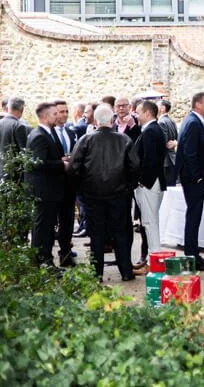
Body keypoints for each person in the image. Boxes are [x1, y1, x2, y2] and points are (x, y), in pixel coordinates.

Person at [68, 103, 141, 282]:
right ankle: (126, 271)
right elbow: (135, 167)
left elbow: (73, 167)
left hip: (93, 195)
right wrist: (127, 187)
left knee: (97, 235)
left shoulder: (86, 140)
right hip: (119, 195)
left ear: (95, 120)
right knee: (121, 234)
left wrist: (82, 188)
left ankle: (97, 273)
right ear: (111, 119)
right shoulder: (123, 140)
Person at [175, 91, 204, 271]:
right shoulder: (193, 123)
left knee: (194, 217)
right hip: (194, 179)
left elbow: (193, 147)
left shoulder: (193, 121)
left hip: (194, 178)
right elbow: (189, 152)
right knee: (193, 217)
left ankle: (192, 254)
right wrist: (198, 176)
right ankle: (191, 256)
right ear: (198, 104)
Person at [26, 102, 68, 268]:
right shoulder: (39, 135)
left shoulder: (47, 133)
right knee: (43, 227)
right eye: (54, 114)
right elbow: (38, 162)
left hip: (50, 190)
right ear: (45, 116)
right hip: (43, 190)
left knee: (47, 226)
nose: (57, 116)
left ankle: (45, 259)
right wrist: (60, 164)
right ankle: (42, 261)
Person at [134, 100, 167, 263]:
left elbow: (150, 160)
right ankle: (153, 256)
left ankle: (154, 257)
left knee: (149, 221)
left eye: (138, 112)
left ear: (147, 113)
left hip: (150, 183)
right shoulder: (152, 130)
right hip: (152, 182)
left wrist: (142, 181)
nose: (136, 115)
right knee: (149, 221)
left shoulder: (151, 131)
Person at [51, 99, 79, 267]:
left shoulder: (70, 132)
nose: (64, 115)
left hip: (69, 183)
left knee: (67, 220)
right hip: (53, 184)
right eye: (61, 111)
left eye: (66, 111)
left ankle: (66, 252)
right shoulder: (48, 133)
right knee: (52, 221)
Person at [0, 96, 30, 179]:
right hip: (14, 175)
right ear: (22, 109)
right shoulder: (19, 126)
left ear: (8, 108)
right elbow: (24, 153)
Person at [157, 99, 178, 186]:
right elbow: (177, 137)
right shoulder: (171, 120)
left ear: (162, 108)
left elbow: (163, 143)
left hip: (165, 161)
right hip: (172, 159)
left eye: (157, 105)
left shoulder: (161, 122)